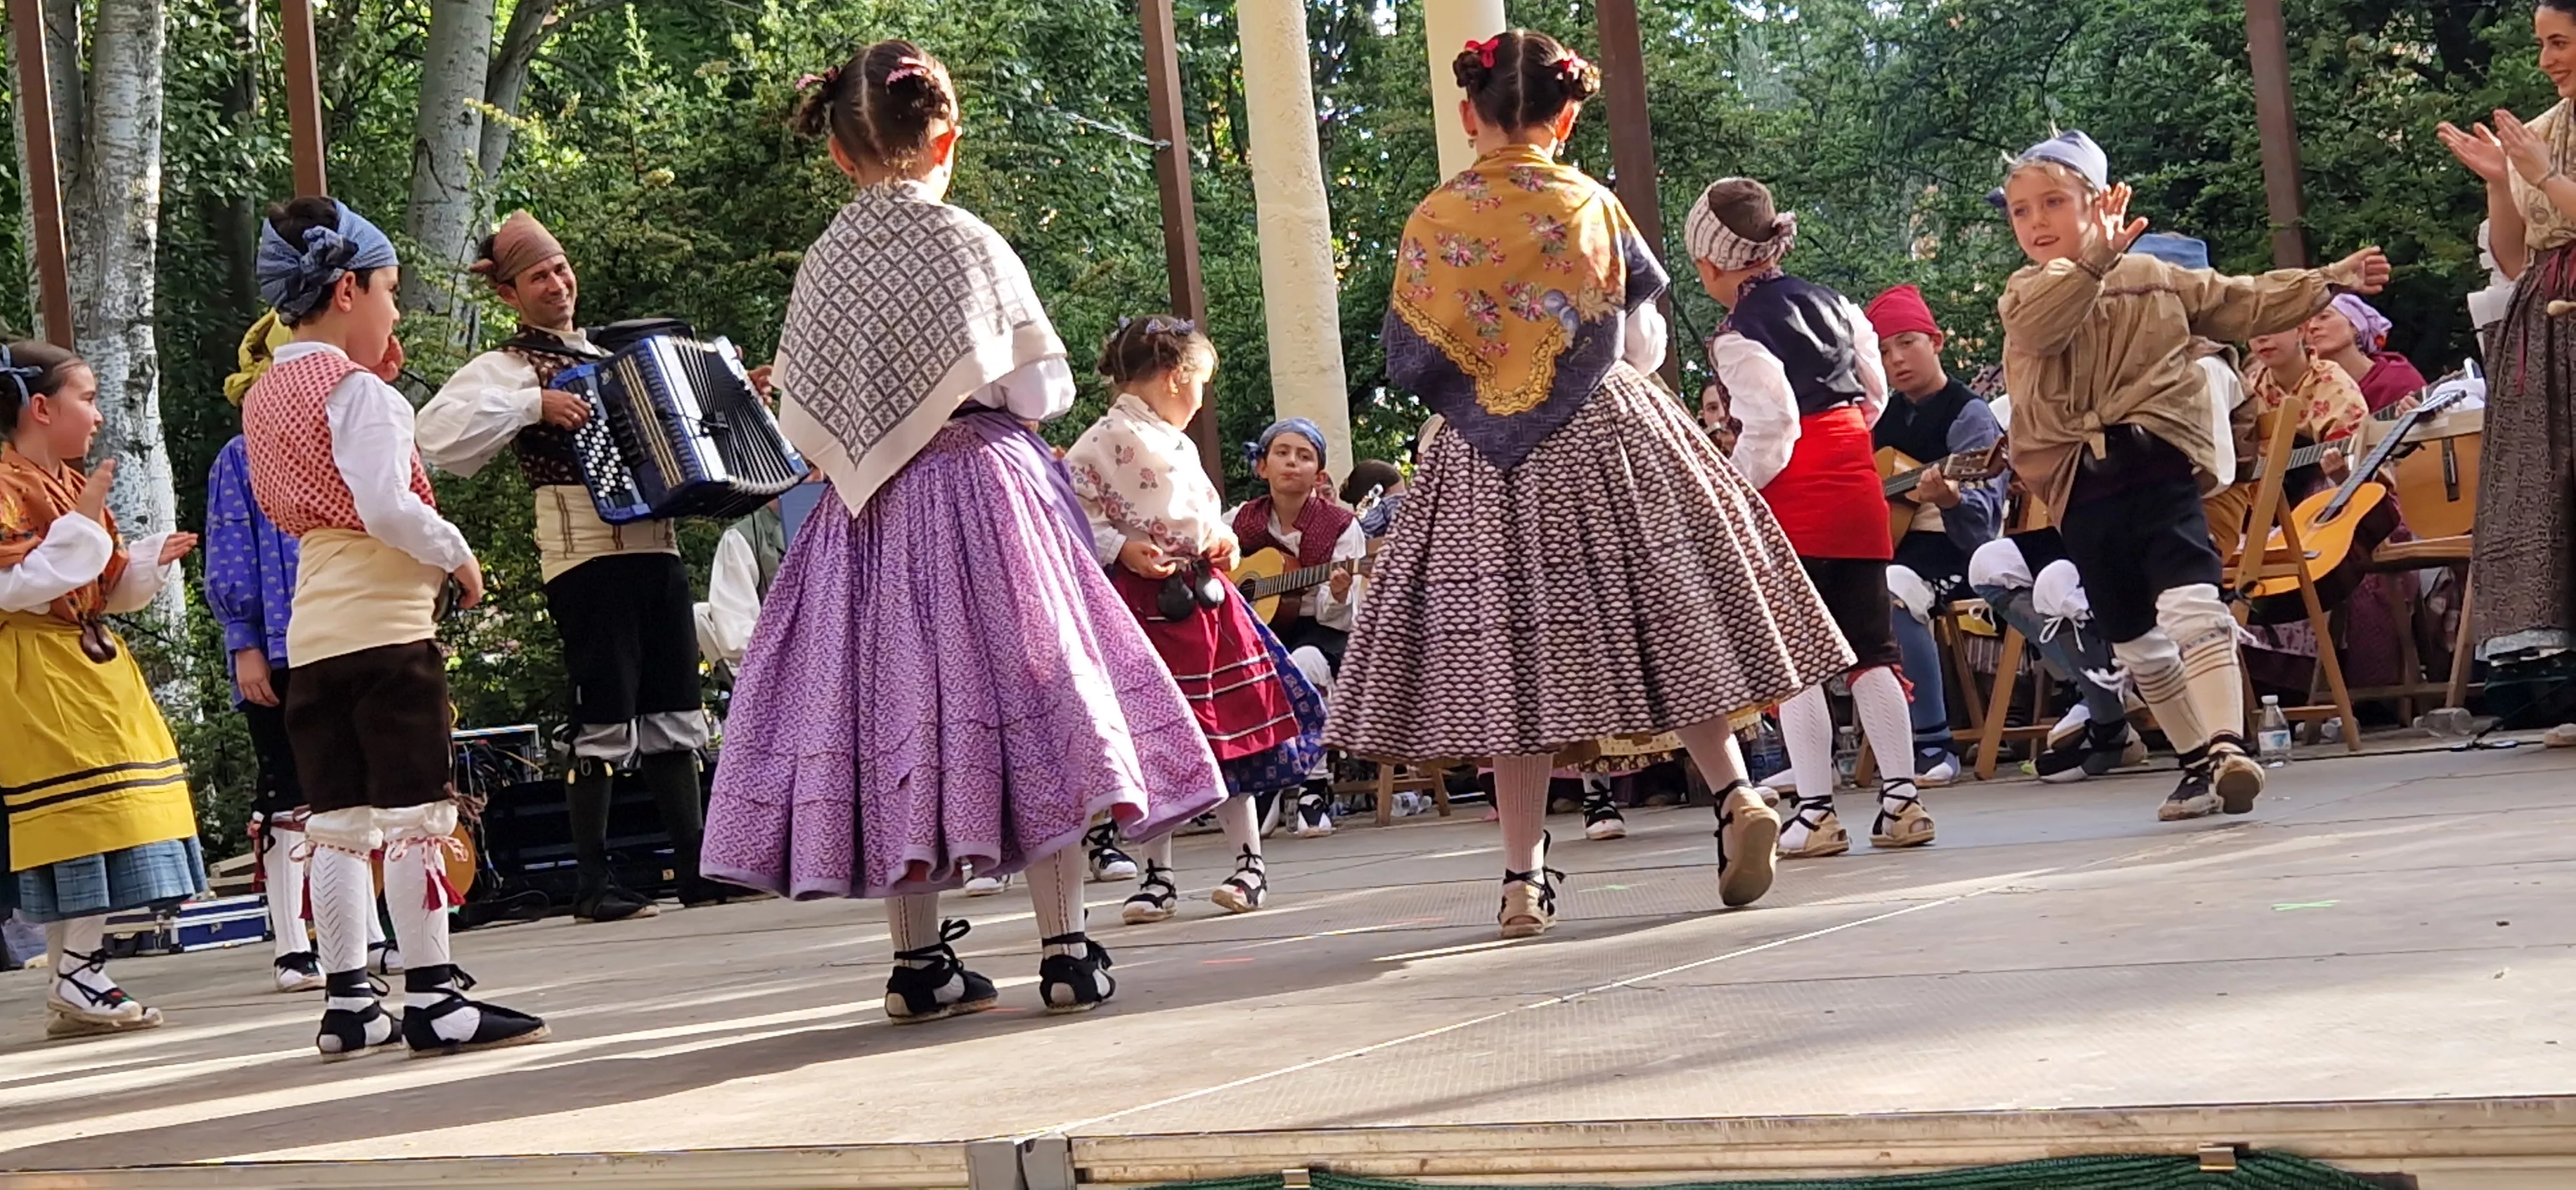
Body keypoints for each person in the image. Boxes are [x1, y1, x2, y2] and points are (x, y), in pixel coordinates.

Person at [699, 41, 1224, 1019]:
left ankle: (918, 966)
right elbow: (1040, 389)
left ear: (838, 152)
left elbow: (804, 417)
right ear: (947, 137)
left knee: (888, 715)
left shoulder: (825, 263)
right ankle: (1065, 951)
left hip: (864, 516)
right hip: (986, 498)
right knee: (1041, 697)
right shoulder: (967, 241)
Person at [1329, 30, 1851, 938]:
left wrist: (1494, 384)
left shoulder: (1435, 218)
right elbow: (1637, 339)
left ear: (1469, 114)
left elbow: (1413, 357)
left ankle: (1521, 880)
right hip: (1607, 428)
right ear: (1565, 119)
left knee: (1511, 659)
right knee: (1668, 617)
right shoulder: (1590, 202)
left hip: (1484, 454)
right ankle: (1735, 795)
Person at [1994, 130, 2388, 820]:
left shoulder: (2155, 277)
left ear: (2099, 204)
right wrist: (2092, 262)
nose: (2035, 221)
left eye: (2053, 202)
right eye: (2021, 211)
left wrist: (2327, 279)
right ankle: (2196, 764)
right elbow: (2044, 330)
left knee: (2190, 604)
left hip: (2155, 465)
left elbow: (2242, 300)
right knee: (2132, 637)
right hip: (2079, 483)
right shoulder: (2024, 292)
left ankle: (2228, 746)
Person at [240, 196, 549, 1060]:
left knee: (338, 819)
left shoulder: (264, 397)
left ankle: (348, 1002)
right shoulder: (359, 393)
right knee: (418, 811)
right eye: (390, 290)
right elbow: (386, 506)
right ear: (347, 290)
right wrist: (456, 552)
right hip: (385, 626)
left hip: (314, 632)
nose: (396, 311)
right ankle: (434, 995)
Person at [415, 210, 711, 922]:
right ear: (509, 295)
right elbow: (435, 435)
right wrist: (531, 405)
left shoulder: (617, 354)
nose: (557, 284)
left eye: (560, 269)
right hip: (583, 554)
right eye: (539, 277)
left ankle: (697, 868)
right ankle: (592, 880)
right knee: (603, 708)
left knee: (674, 705)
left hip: (657, 546)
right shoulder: (509, 367)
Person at [1690, 178, 1933, 861]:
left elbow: (1772, 425)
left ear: (1710, 263)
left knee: (1796, 661)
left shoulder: (1737, 335)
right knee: (1873, 647)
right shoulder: (1838, 305)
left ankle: (1817, 813)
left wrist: (1734, 488)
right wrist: (1846, 443)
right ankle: (1903, 802)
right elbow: (1874, 393)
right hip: (1857, 481)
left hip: (1796, 497)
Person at [1065, 316, 1327, 924]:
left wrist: (1224, 541)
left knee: (1229, 727)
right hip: (1145, 604)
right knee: (1157, 737)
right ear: (1176, 377)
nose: (1202, 399)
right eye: (1201, 383)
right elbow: (1074, 517)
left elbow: (1206, 517)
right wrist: (1121, 547)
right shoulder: (1100, 441)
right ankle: (1163, 872)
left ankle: (1244, 862)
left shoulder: (1169, 442)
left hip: (1203, 598)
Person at [0, 340, 205, 1039]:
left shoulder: (64, 482)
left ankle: (74, 972)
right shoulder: (6, 484)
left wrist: (141, 562)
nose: (96, 415)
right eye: (85, 399)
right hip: (35, 668)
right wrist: (84, 528)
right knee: (85, 818)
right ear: (40, 407)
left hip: (85, 665)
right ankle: (79, 972)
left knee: (106, 813)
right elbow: (16, 585)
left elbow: (99, 585)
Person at [207, 314, 395, 993]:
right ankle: (291, 944)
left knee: (352, 787)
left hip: (348, 631)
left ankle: (368, 933)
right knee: (289, 791)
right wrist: (244, 642)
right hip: (283, 647)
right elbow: (230, 546)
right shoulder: (240, 457)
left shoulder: (347, 430)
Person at [2438, 6, 2576, 704]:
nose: (2547, 59)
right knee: (2552, 497)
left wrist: (2545, 175)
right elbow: (2516, 256)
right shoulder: (2541, 130)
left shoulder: (2542, 148)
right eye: (2542, 44)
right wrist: (2501, 180)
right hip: (2546, 326)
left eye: (2560, 42)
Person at [1864, 283, 2007, 787]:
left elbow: (1983, 524)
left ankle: (1933, 743)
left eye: (1907, 343)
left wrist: (1949, 500)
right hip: (1897, 550)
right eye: (1884, 351)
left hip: (1954, 556)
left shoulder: (1970, 416)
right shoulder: (1884, 418)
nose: (1897, 360)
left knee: (1892, 591)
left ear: (1936, 341)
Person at [2304, 294, 2427, 413]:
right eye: (2307, 324)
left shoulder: (2399, 379)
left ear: (2355, 325)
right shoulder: (2311, 393)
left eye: (2324, 317)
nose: (2313, 327)